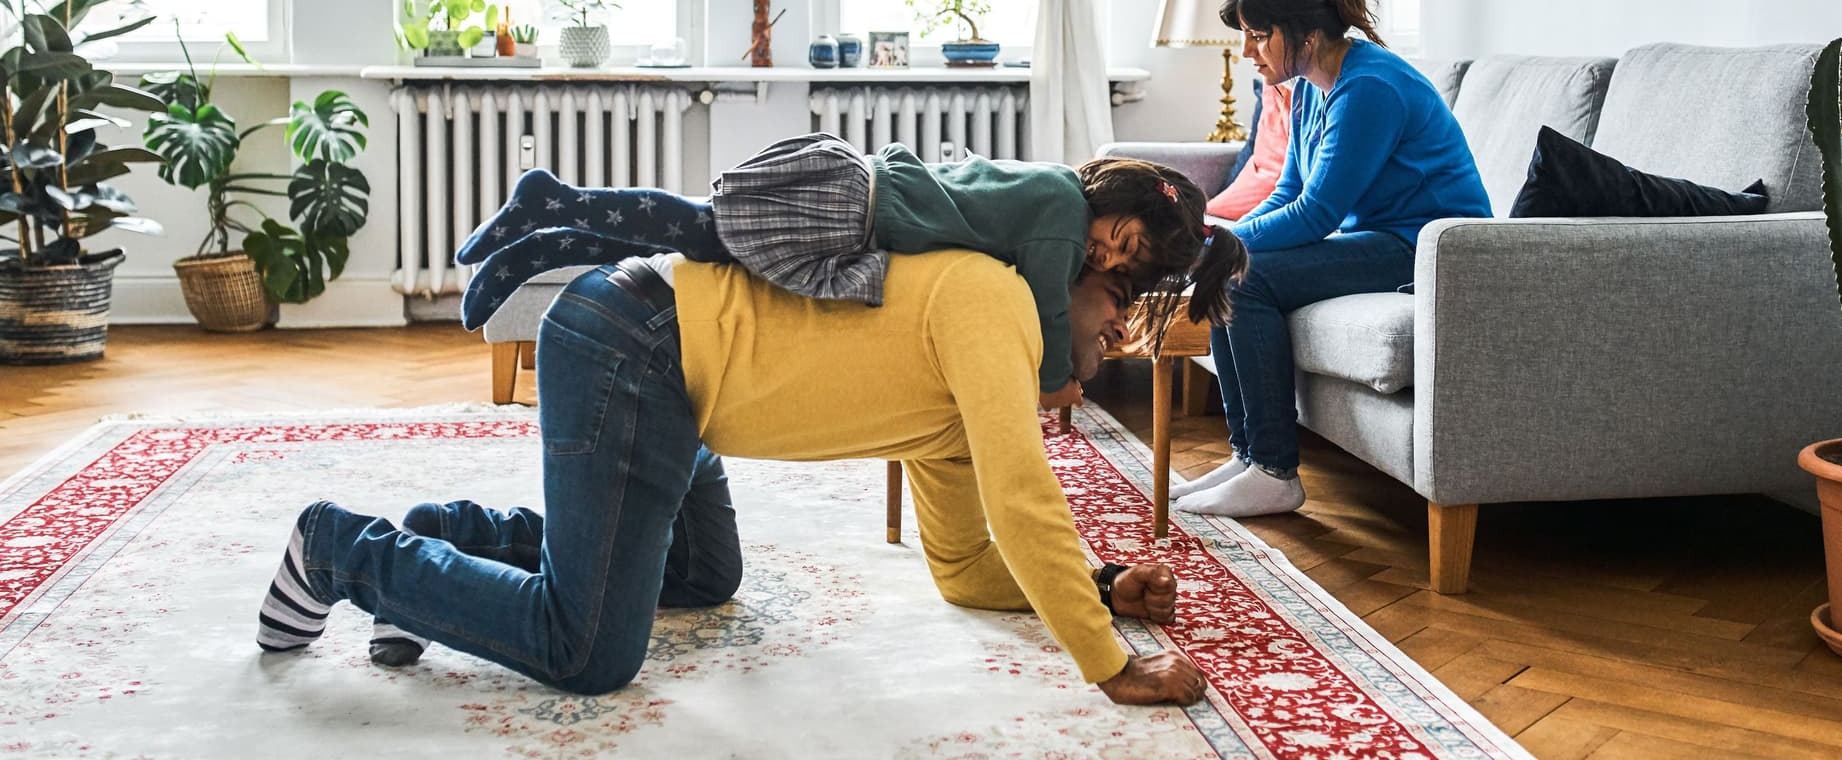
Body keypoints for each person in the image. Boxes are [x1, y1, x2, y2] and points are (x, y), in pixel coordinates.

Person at [256, 255, 1210, 707]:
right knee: (587, 653)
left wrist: (1092, 586)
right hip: (633, 351)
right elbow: (1027, 496)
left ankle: (448, 542)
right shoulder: (992, 305)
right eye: (1121, 300)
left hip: (683, 393)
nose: (1124, 335)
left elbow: (965, 562)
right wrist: (1112, 663)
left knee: (705, 575)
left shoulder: (971, 373)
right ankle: (341, 548)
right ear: (1070, 278)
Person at [454, 140, 1247, 410]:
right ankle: (553, 203)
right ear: (1117, 197)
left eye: (1126, 267)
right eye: (1122, 239)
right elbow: (1045, 310)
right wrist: (1052, 380)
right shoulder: (1058, 206)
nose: (1106, 258)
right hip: (851, 204)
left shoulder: (1065, 219)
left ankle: (544, 248)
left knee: (695, 244)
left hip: (855, 219)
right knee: (695, 228)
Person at [1170, 0, 1491, 520]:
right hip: (1382, 238)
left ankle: (1274, 472)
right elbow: (1288, 194)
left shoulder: (1369, 88)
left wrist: (1223, 246)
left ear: (1304, 33)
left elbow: (1317, 214)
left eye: (1258, 35)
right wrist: (1223, 240)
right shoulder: (1309, 90)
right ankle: (1249, 457)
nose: (1247, 51)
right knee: (1232, 267)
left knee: (1243, 277)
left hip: (1430, 250)